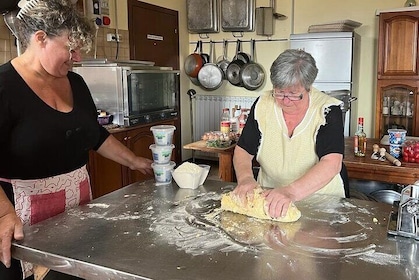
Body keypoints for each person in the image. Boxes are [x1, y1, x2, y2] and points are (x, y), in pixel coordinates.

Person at [0, 0, 153, 279]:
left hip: (77, 207)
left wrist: (133, 160)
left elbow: (93, 134)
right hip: (21, 215)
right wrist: (2, 215)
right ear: (40, 39)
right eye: (70, 49)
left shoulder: (76, 83)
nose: (77, 57)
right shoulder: (4, 86)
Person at [232, 49, 349, 220]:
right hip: (269, 202)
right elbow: (243, 150)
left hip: (321, 204)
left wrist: (290, 192)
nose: (285, 100)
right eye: (279, 92)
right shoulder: (263, 105)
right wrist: (246, 179)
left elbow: (331, 163)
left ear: (308, 87)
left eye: (293, 94)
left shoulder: (327, 110)